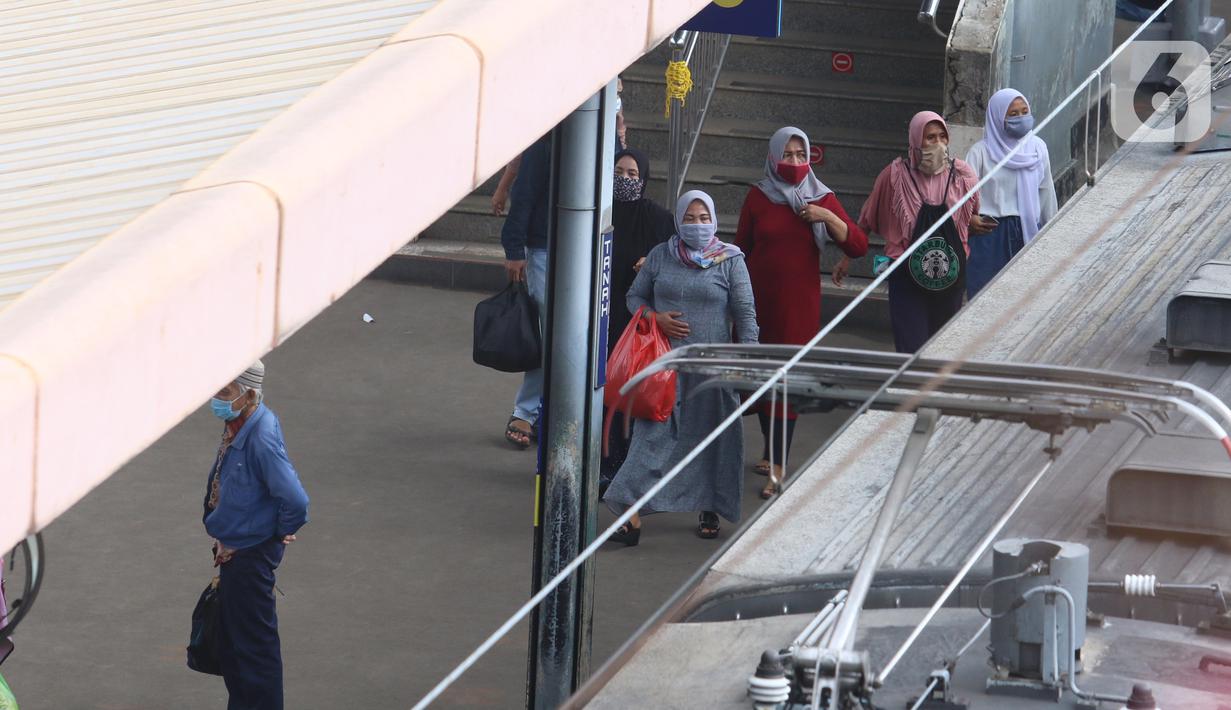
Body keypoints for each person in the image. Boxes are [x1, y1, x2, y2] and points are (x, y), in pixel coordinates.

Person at [602, 190, 759, 545]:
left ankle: (710, 507)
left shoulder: (731, 260)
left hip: (714, 370)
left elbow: (745, 314)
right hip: (664, 367)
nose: (698, 225)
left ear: (715, 220)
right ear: (678, 221)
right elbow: (633, 297)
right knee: (650, 440)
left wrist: (746, 362)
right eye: (690, 218)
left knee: (713, 440)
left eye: (704, 218)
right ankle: (630, 514)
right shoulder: (661, 255)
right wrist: (655, 317)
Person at [735, 127, 868, 498]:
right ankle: (768, 447)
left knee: (787, 381)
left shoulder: (821, 197)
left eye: (800, 155)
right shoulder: (758, 197)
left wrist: (828, 217)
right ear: (773, 156)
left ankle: (778, 467)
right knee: (762, 376)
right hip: (759, 303)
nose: (794, 162)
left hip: (798, 307)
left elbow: (857, 245)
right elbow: (740, 248)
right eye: (787, 155)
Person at [203, 360, 309, 710]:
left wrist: (277, 534)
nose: (217, 397)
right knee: (235, 646)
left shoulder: (260, 435)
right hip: (234, 551)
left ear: (249, 394)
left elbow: (295, 499)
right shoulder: (238, 423)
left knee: (254, 652)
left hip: (249, 557)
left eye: (225, 392)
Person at [847, 111, 980, 354]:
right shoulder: (895, 176)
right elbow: (868, 215)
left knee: (944, 347)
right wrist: (847, 257)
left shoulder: (962, 175)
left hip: (950, 276)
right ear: (916, 140)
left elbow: (971, 214)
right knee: (912, 347)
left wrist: (975, 222)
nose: (938, 144)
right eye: (930, 138)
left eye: (942, 137)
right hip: (906, 275)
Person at [602, 148, 676, 487]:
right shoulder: (599, 210)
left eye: (633, 175)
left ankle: (632, 463)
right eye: (619, 172)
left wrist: (652, 263)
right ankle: (607, 461)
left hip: (638, 318)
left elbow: (674, 255)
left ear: (644, 179)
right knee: (605, 385)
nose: (625, 180)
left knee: (632, 388)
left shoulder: (658, 218)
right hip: (603, 312)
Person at [964, 88, 1057, 298]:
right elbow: (963, 195)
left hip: (1028, 230)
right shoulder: (980, 152)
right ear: (997, 117)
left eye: (1025, 112)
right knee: (984, 298)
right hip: (989, 234)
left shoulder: (1037, 148)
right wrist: (969, 219)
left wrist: (1051, 231)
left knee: (1024, 298)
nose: (1021, 118)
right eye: (1013, 114)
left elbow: (1046, 191)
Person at [501, 134, 551, 449]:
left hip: (588, 246)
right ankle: (527, 410)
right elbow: (525, 193)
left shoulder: (604, 136)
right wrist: (514, 248)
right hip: (544, 247)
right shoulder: (545, 141)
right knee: (547, 332)